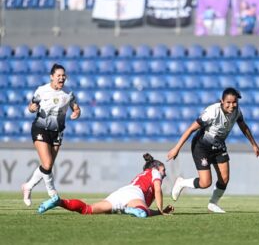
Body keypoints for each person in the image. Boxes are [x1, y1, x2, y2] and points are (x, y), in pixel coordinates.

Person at [167, 87, 259, 213]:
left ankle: (213, 204)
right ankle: (182, 182)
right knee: (205, 182)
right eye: (228, 102)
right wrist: (176, 148)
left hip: (218, 146)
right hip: (201, 146)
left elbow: (243, 127)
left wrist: (254, 145)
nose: (231, 105)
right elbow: (191, 129)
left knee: (224, 178)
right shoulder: (211, 112)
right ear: (221, 101)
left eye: (234, 102)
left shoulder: (237, 112)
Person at [37, 153, 175, 217]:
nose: (165, 173)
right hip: (134, 194)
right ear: (157, 168)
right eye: (164, 170)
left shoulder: (143, 174)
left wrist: (159, 212)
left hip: (120, 193)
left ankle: (59, 201)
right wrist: (161, 210)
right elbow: (158, 190)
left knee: (88, 209)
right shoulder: (155, 172)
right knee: (143, 212)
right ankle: (127, 210)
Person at [21, 63, 81, 207]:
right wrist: (31, 108)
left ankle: (28, 186)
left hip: (57, 132)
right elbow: (31, 106)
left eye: (63, 75)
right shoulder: (42, 91)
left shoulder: (68, 93)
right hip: (40, 129)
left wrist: (76, 113)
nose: (62, 78)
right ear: (52, 77)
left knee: (47, 166)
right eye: (58, 75)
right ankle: (52, 191)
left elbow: (77, 108)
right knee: (47, 164)